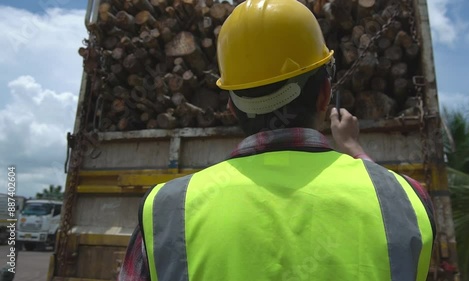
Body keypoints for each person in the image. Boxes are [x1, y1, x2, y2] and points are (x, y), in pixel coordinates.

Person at [118, 0, 436, 280]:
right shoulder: (406, 200)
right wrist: (354, 149)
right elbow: (392, 208)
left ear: (231, 108)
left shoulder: (166, 212)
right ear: (324, 95)